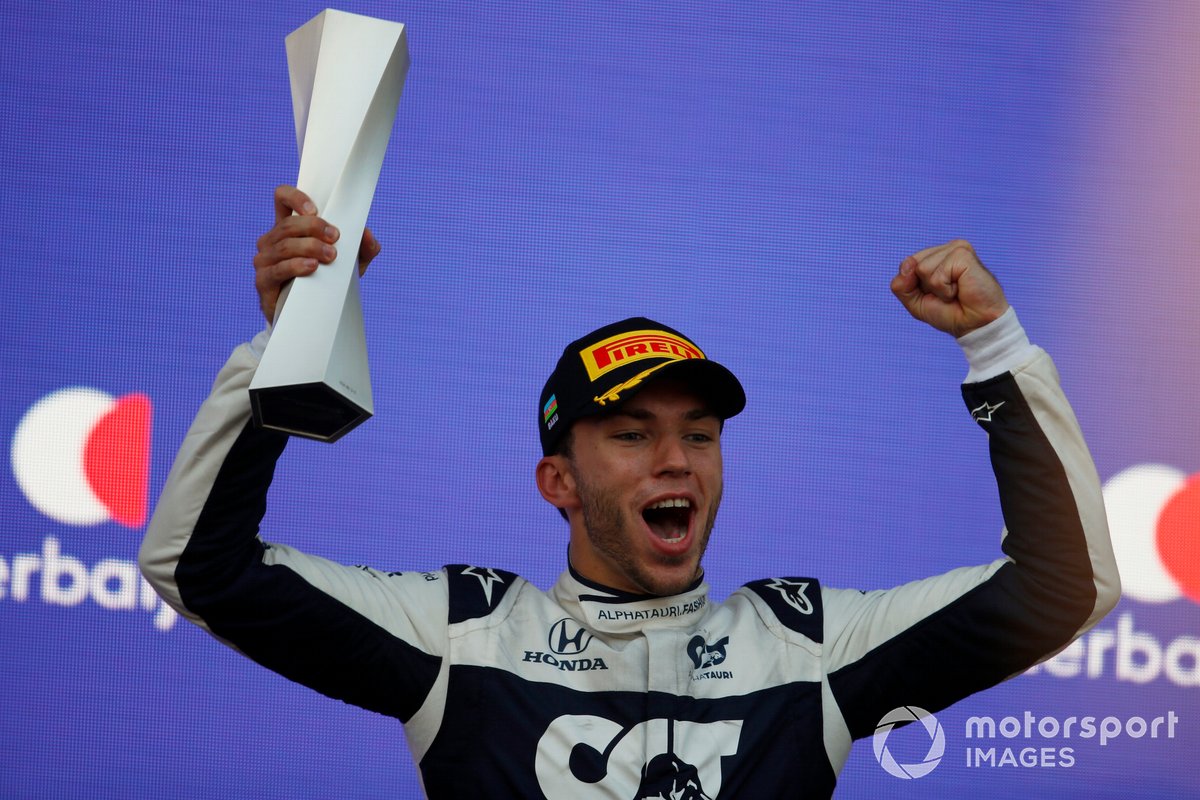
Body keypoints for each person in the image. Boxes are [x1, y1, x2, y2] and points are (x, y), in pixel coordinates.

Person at [140, 185, 1120, 798]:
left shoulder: (808, 645)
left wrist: (995, 346)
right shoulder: (460, 633)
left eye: (700, 432)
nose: (677, 459)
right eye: (632, 433)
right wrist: (289, 344)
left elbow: (1062, 584)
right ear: (555, 480)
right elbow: (202, 565)